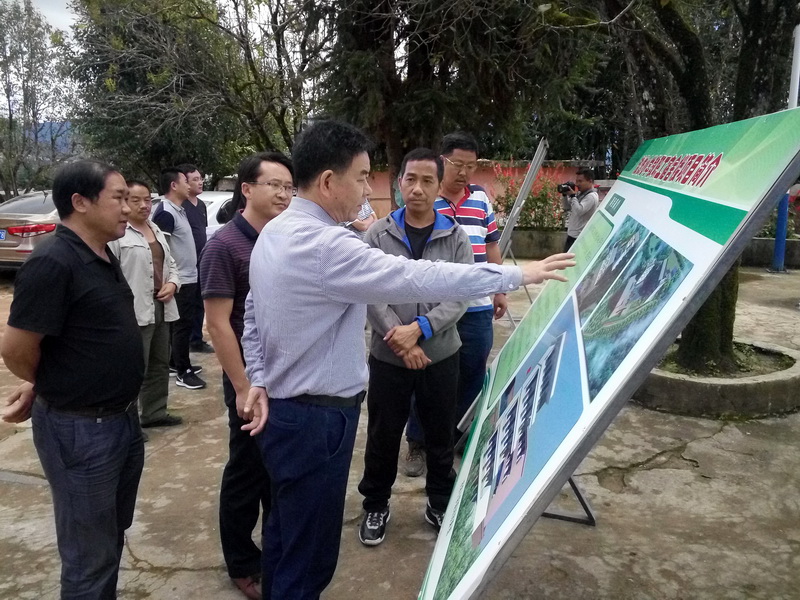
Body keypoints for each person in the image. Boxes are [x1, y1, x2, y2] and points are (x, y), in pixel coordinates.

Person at [241, 119, 574, 599]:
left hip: (285, 409)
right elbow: (417, 277)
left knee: (285, 533)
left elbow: (254, 311)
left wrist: (258, 376)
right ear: (329, 181)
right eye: (362, 177)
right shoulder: (327, 245)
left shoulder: (275, 232)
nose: (366, 190)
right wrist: (516, 275)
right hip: (317, 420)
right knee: (308, 556)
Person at [0, 160, 145, 599]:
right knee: (88, 556)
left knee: (109, 535)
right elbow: (15, 349)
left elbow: (78, 337)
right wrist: (49, 382)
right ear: (80, 202)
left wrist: (49, 377)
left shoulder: (101, 252)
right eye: (118, 198)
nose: (128, 208)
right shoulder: (53, 261)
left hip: (120, 420)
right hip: (82, 431)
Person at [357, 148, 471, 546]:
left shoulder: (455, 237)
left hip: (440, 356)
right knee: (383, 435)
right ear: (399, 183)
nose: (417, 188)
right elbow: (370, 292)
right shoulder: (377, 235)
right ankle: (375, 504)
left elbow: (460, 295)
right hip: (389, 357)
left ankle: (439, 501)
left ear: (439, 186)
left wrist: (420, 329)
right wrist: (400, 339)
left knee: (440, 436)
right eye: (410, 179)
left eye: (427, 181)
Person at [200, 152, 294, 600]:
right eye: (273, 184)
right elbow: (218, 324)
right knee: (247, 470)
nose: (283, 194)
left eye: (288, 187)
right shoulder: (225, 245)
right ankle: (242, 561)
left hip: (285, 375)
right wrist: (241, 387)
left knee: (278, 468)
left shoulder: (284, 238)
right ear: (247, 189)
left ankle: (276, 552)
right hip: (246, 377)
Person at [404, 131, 504, 477]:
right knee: (426, 376)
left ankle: (456, 439)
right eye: (458, 164)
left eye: (471, 165)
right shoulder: (426, 201)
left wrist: (500, 290)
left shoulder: (481, 199)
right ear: (442, 161)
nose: (464, 172)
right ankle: (417, 443)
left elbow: (491, 245)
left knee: (472, 374)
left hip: (476, 307)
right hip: (437, 310)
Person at [109, 180, 183, 431]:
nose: (143, 205)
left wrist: (172, 284)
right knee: (132, 369)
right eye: (136, 200)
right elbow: (111, 275)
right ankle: (127, 424)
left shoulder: (155, 228)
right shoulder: (118, 235)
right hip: (134, 311)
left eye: (147, 200)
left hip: (161, 306)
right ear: (124, 202)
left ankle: (154, 412)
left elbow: (170, 264)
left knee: (159, 364)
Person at [152, 168, 207, 389]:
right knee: (181, 326)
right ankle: (183, 372)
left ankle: (176, 362)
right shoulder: (166, 212)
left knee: (184, 323)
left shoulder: (179, 210)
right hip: (179, 279)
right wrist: (169, 280)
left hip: (189, 276)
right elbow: (160, 250)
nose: (189, 185)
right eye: (185, 181)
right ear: (173, 185)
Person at [177, 163, 214, 354]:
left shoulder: (201, 205)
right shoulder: (180, 207)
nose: (200, 182)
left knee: (200, 301)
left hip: (201, 260)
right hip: (185, 264)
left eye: (201, 179)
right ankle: (184, 343)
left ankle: (196, 339)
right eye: (195, 179)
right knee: (187, 304)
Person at [561, 168, 599, 251]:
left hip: (579, 237)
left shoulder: (591, 196)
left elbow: (579, 211)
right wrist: (565, 195)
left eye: (580, 181)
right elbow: (567, 207)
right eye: (576, 181)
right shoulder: (580, 194)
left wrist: (573, 196)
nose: (577, 184)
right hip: (572, 234)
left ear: (590, 181)